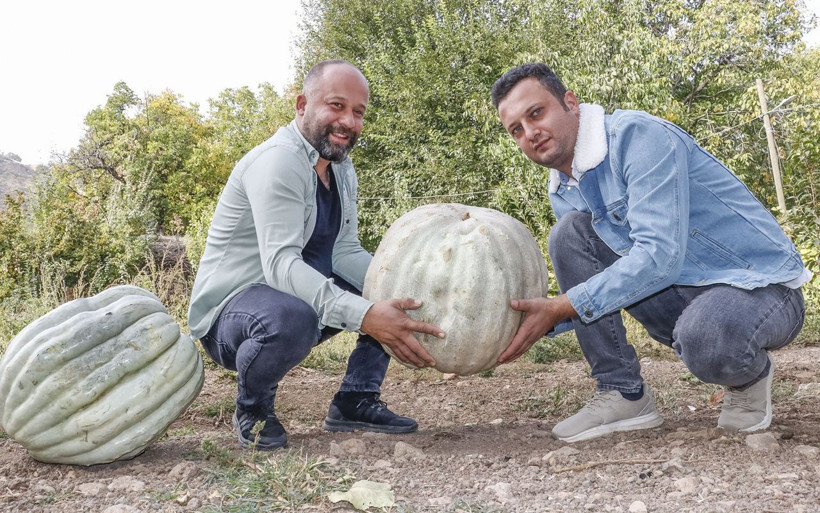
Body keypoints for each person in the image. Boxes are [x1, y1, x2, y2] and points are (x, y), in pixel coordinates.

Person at [491, 63, 810, 443]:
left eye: (536, 113)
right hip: (681, 293)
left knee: (707, 338)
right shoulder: (562, 187)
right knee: (569, 234)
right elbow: (596, 278)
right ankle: (622, 392)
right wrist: (513, 321)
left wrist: (562, 307)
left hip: (759, 287)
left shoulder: (638, 137)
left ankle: (748, 376)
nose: (530, 133)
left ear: (570, 103)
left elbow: (659, 256)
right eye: (517, 130)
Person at [188, 60, 443, 450]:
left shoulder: (341, 169)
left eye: (358, 112)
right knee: (294, 318)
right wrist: (365, 314)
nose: (349, 121)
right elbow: (280, 265)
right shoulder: (278, 161)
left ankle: (355, 399)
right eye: (336, 105)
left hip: (289, 293)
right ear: (302, 104)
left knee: (389, 289)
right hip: (232, 315)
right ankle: (253, 410)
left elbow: (344, 252)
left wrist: (401, 283)